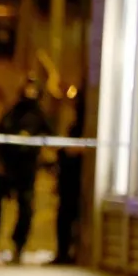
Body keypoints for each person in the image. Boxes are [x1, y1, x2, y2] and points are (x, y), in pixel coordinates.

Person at [0, 83, 52, 263]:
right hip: (7, 168)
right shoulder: (12, 113)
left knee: (26, 209)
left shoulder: (39, 115)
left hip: (26, 170)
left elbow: (51, 135)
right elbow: (0, 134)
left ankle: (18, 245)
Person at [52, 88, 85, 265]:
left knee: (69, 217)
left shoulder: (84, 125)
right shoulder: (75, 125)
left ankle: (68, 252)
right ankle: (63, 252)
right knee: (65, 217)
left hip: (75, 181)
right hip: (68, 179)